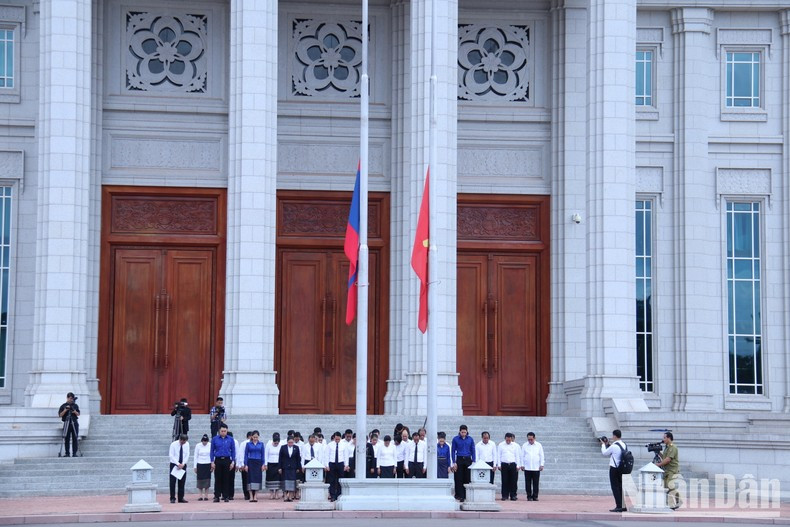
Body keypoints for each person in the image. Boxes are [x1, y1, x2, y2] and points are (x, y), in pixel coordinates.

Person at [600, 429, 627, 512]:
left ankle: (619, 506)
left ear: (615, 436)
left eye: (612, 435)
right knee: (620, 487)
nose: (612, 437)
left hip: (614, 468)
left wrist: (603, 445)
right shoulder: (623, 444)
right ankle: (623, 506)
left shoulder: (614, 446)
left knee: (615, 487)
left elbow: (605, 453)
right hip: (621, 468)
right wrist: (608, 444)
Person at [210, 424, 236, 502]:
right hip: (218, 460)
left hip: (227, 460)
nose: (223, 432)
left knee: (226, 478)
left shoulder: (231, 439)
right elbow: (212, 451)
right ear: (219, 431)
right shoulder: (215, 439)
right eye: (222, 431)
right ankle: (217, 496)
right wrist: (212, 461)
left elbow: (233, 451)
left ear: (227, 431)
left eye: (225, 431)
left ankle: (226, 496)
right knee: (217, 478)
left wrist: (233, 462)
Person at [655, 431, 681, 510]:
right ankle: (669, 504)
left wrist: (658, 465)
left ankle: (677, 501)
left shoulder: (672, 447)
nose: (663, 439)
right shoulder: (667, 448)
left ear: (669, 438)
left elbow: (668, 459)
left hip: (672, 470)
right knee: (666, 487)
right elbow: (664, 457)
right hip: (667, 470)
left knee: (670, 486)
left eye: (664, 438)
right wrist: (658, 452)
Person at [451, 424, 475, 502]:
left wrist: (474, 460)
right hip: (459, 459)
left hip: (468, 459)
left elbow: (473, 450)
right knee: (458, 477)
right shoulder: (455, 439)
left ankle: (466, 495)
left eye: (465, 432)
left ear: (467, 431)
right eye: (462, 432)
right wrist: (454, 462)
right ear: (459, 431)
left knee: (467, 477)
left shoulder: (470, 439)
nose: (463, 434)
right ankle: (459, 495)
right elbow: (453, 450)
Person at [521, 431, 545, 501]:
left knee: (536, 483)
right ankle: (529, 496)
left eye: (531, 439)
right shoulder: (525, 445)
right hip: (527, 467)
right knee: (527, 483)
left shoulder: (539, 445)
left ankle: (535, 496)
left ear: (534, 438)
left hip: (536, 467)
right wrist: (522, 465)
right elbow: (522, 456)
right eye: (528, 439)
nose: (530, 441)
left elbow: (541, 455)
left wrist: (542, 464)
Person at [326, 431, 349, 501]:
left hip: (340, 463)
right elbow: (327, 455)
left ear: (340, 438)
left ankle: (339, 494)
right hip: (332, 463)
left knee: (340, 479)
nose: (337, 441)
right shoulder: (330, 445)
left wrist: (346, 465)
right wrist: (326, 465)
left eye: (338, 439)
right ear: (334, 438)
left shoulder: (344, 445)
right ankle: (332, 495)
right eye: (336, 439)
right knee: (332, 480)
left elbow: (346, 455)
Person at [497, 432, 521, 501]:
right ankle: (504, 495)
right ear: (505, 438)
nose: (508, 441)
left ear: (511, 439)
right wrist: (499, 464)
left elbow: (517, 456)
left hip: (513, 464)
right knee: (504, 481)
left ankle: (513, 495)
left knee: (513, 481)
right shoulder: (501, 445)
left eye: (509, 440)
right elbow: (499, 455)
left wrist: (518, 465)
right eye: (507, 440)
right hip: (504, 464)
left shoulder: (515, 445)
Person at [279, 435, 302, 502]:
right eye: (289, 442)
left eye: (292, 442)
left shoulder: (296, 448)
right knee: (285, 481)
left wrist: (298, 467)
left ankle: (290, 496)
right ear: (287, 442)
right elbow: (280, 458)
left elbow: (298, 458)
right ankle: (285, 496)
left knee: (292, 482)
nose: (290, 444)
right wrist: (279, 467)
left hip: (293, 467)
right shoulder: (283, 447)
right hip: (285, 467)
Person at [168, 433, 190, 503]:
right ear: (180, 439)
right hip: (174, 464)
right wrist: (177, 464)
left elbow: (187, 454)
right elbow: (171, 455)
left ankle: (181, 497)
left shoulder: (187, 444)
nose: (183, 443)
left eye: (184, 442)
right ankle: (172, 497)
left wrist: (183, 463)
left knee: (182, 482)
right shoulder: (173, 444)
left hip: (183, 464)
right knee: (172, 482)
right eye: (182, 442)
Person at [58, 392, 80, 457]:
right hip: (67, 422)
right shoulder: (63, 405)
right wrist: (65, 410)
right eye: (70, 398)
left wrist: (74, 411)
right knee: (66, 438)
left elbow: (78, 414)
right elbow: (60, 415)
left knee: (75, 438)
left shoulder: (75, 405)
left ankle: (74, 453)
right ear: (67, 398)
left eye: (72, 399)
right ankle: (67, 453)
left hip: (74, 422)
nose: (71, 400)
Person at [244, 430, 265, 502]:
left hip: (258, 462)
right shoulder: (248, 444)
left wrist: (263, 464)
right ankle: (251, 496)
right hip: (251, 462)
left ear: (258, 437)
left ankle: (255, 495)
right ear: (252, 437)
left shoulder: (261, 444)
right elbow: (246, 455)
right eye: (254, 437)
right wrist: (246, 464)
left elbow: (263, 455)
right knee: (250, 479)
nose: (255, 438)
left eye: (257, 437)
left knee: (257, 479)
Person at [193, 434, 212, 501]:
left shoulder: (210, 445)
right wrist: (195, 466)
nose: (204, 442)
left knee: (207, 480)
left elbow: (212, 455)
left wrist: (212, 464)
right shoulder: (198, 445)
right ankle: (200, 495)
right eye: (203, 441)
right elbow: (195, 456)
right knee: (200, 480)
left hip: (208, 464)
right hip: (200, 464)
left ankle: (206, 495)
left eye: (206, 441)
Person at [264, 432, 282, 499]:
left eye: (277, 443)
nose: (276, 444)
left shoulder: (280, 446)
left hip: (277, 463)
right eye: (275, 443)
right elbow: (266, 455)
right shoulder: (268, 445)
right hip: (270, 463)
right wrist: (265, 464)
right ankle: (271, 493)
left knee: (277, 478)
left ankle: (277, 493)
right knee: (270, 478)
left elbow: (281, 456)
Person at [238, 431, 252, 500]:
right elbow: (241, 454)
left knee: (251, 480)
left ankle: (252, 493)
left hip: (252, 464)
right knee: (245, 480)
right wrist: (241, 464)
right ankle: (246, 494)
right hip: (245, 464)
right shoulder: (244, 443)